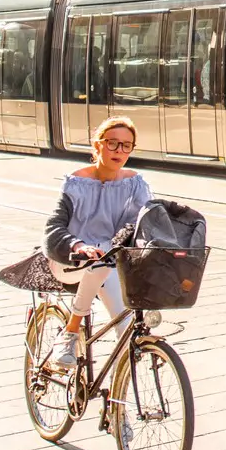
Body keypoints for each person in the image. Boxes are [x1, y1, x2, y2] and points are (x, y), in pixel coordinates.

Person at [42, 116, 152, 370]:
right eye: (113, 143)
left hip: (111, 261)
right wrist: (77, 246)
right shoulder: (76, 184)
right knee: (100, 262)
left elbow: (147, 219)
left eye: (127, 145)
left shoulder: (135, 184)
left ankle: (118, 400)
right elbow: (54, 227)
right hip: (71, 260)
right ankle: (70, 332)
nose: (119, 151)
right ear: (97, 145)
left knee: (127, 331)